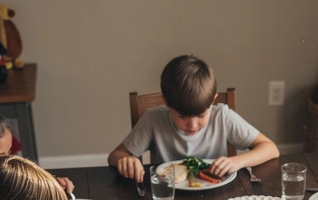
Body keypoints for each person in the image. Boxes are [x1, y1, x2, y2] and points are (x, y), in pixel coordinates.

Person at [108, 54, 279, 180]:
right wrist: (126, 160)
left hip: (215, 193)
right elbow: (115, 155)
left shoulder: (222, 116)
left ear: (212, 102)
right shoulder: (153, 120)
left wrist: (237, 162)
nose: (192, 125)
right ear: (166, 103)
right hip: (169, 195)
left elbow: (270, 148)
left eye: (201, 115)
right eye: (182, 116)